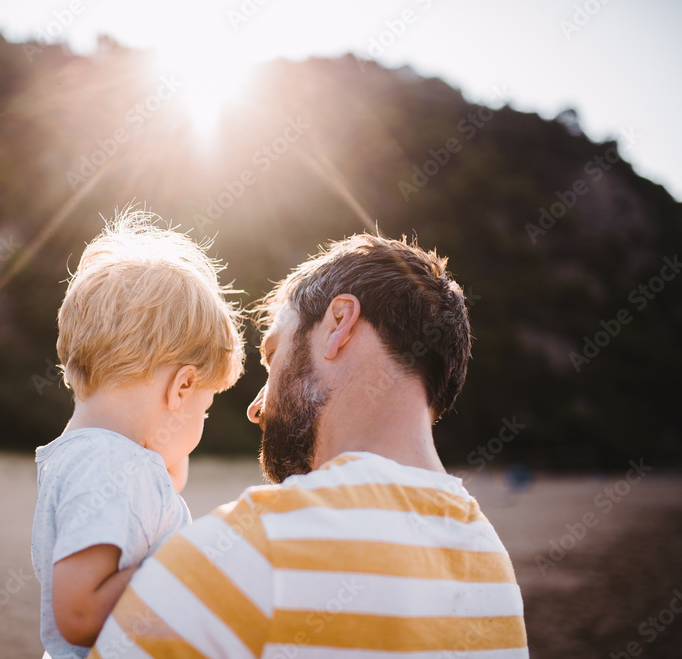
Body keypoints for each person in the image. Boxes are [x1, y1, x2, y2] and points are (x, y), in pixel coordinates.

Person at [89, 233, 529, 658]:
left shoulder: (247, 551)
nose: (255, 409)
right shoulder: (492, 570)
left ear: (338, 324)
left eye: (272, 355)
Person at [31, 210, 245, 659]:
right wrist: (182, 562)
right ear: (182, 387)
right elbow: (79, 615)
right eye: (205, 410)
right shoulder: (109, 467)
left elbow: (166, 486)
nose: (202, 425)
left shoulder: (108, 459)